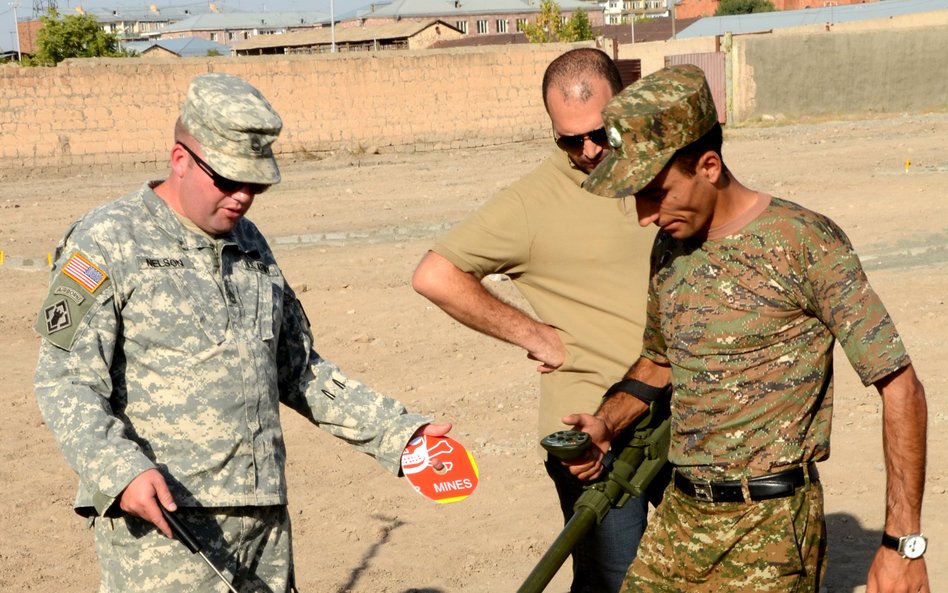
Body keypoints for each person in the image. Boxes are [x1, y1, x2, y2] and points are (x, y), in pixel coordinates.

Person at [33, 72, 451, 593]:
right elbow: (64, 378)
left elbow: (300, 369)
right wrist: (119, 470)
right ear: (180, 159)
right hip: (165, 524)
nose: (242, 198)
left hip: (263, 524)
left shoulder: (251, 244)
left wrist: (399, 433)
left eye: (254, 185)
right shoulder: (105, 240)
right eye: (228, 181)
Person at [564, 64, 930, 593]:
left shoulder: (803, 241)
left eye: (654, 192)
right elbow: (660, 360)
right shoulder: (671, 246)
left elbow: (901, 388)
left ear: (708, 165)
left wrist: (903, 543)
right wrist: (607, 423)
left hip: (771, 531)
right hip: (679, 519)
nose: (644, 215)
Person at [411, 48, 655, 593]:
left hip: (678, 407)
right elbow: (436, 274)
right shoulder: (529, 203)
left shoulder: (661, 171)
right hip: (593, 431)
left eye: (601, 133)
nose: (588, 150)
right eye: (570, 139)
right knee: (613, 582)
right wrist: (532, 333)